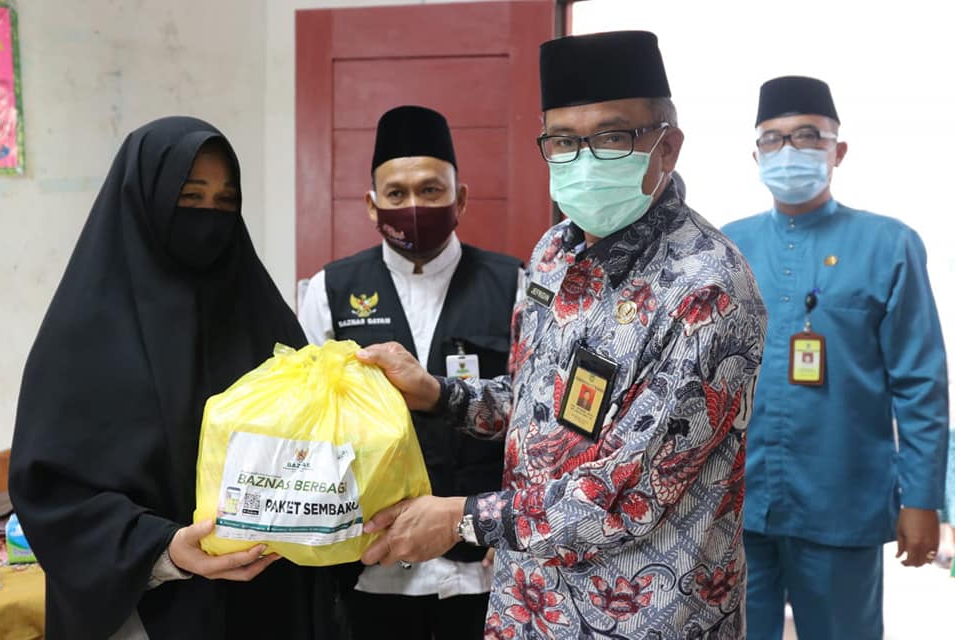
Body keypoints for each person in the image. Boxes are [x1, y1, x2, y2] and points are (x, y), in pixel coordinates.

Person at [352, 31, 767, 638]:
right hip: (530, 608)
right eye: (565, 141)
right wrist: (438, 394)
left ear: (667, 146)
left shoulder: (707, 288)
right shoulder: (555, 253)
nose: (585, 159)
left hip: (646, 617)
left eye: (612, 136)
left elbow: (627, 493)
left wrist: (462, 519)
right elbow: (539, 408)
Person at [9, 117, 336, 640]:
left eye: (226, 201)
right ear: (145, 202)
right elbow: (51, 492)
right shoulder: (84, 334)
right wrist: (161, 548)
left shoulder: (260, 315)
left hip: (266, 598)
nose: (209, 216)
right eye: (190, 197)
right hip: (142, 610)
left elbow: (317, 439)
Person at [722, 76, 950, 640]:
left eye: (807, 136)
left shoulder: (889, 245)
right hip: (736, 506)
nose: (789, 150)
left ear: (838, 150)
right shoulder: (727, 246)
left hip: (841, 500)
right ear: (756, 155)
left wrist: (923, 499)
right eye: (773, 139)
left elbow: (920, 384)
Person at [298, 105, 522, 639]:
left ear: (459, 199)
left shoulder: (513, 282)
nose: (414, 205)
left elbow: (535, 422)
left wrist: (512, 527)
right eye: (396, 194)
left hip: (484, 565)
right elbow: (310, 424)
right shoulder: (331, 290)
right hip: (374, 564)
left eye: (430, 190)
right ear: (372, 205)